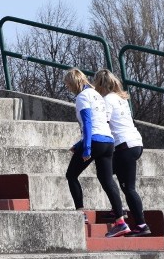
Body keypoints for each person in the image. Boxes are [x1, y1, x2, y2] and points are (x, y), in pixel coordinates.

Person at [63, 68, 129, 238]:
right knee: (107, 179)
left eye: (68, 84)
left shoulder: (82, 97)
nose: (68, 88)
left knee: (71, 175)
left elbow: (87, 123)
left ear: (74, 82)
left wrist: (85, 148)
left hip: (95, 141)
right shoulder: (96, 95)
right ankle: (121, 221)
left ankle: (81, 212)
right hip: (108, 141)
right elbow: (100, 121)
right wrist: (78, 145)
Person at [94, 68, 151, 237]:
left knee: (127, 187)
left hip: (124, 145)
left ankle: (140, 224)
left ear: (100, 84)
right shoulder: (121, 99)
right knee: (108, 173)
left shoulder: (107, 100)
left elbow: (104, 121)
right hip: (135, 143)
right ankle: (117, 209)